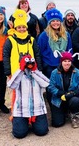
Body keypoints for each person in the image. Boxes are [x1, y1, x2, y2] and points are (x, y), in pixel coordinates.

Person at [3, 9, 48, 138]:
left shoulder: (31, 39)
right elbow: (6, 56)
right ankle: (16, 116)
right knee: (17, 96)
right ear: (16, 27)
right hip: (16, 73)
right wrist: (8, 72)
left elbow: (37, 53)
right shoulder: (10, 40)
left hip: (31, 72)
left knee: (33, 93)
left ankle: (33, 117)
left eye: (23, 27)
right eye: (19, 27)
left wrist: (37, 69)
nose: (22, 29)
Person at [48, 51, 79, 128]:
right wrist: (60, 93)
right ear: (61, 62)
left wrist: (73, 93)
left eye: (69, 61)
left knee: (75, 101)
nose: (67, 63)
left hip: (72, 97)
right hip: (59, 98)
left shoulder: (77, 72)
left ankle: (75, 117)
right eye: (65, 61)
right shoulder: (54, 72)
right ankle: (64, 112)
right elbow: (51, 86)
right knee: (57, 123)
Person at [37, 8, 73, 79]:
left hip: (63, 66)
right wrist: (42, 66)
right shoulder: (44, 35)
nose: (55, 23)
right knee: (51, 87)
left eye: (57, 21)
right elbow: (39, 51)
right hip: (49, 66)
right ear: (49, 23)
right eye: (53, 21)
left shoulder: (66, 35)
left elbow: (69, 50)